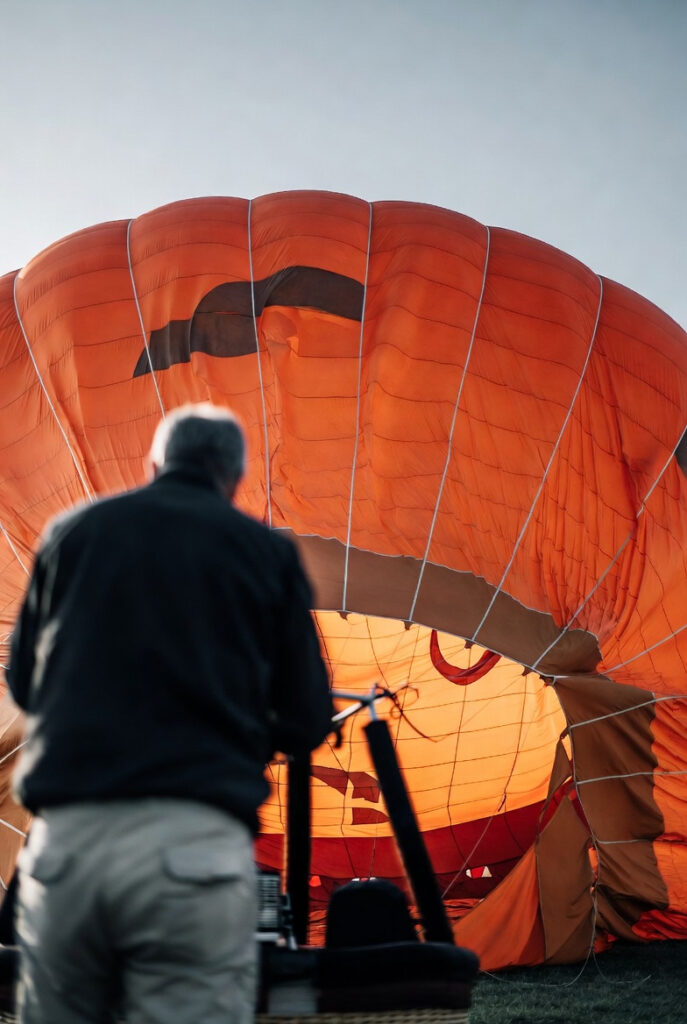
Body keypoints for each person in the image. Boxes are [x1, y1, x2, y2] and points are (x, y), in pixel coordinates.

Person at [6, 403, 333, 1024]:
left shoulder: (71, 533)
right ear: (233, 479)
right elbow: (306, 717)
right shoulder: (264, 554)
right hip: (191, 846)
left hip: (66, 847)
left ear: (153, 463)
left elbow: (24, 682)